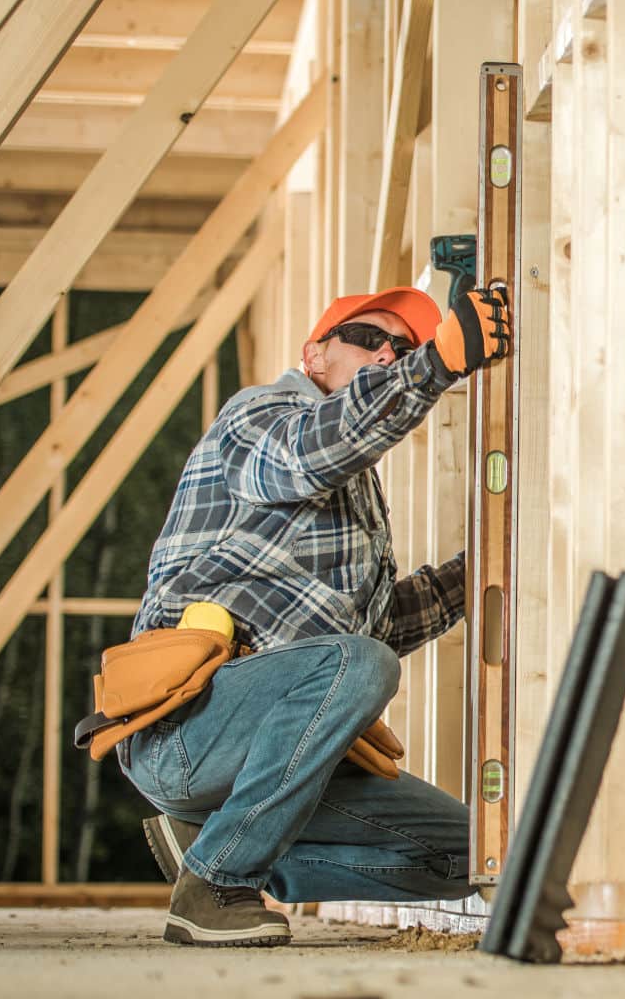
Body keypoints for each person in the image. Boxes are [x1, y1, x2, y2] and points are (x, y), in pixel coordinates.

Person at [119, 284, 510, 947]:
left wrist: (480, 573)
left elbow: (382, 625)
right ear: (315, 353)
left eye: (404, 346)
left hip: (261, 751)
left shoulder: (354, 491)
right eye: (369, 338)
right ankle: (216, 883)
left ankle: (210, 840)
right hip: (187, 731)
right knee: (361, 665)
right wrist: (436, 362)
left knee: (469, 850)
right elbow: (306, 453)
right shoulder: (263, 415)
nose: (389, 353)